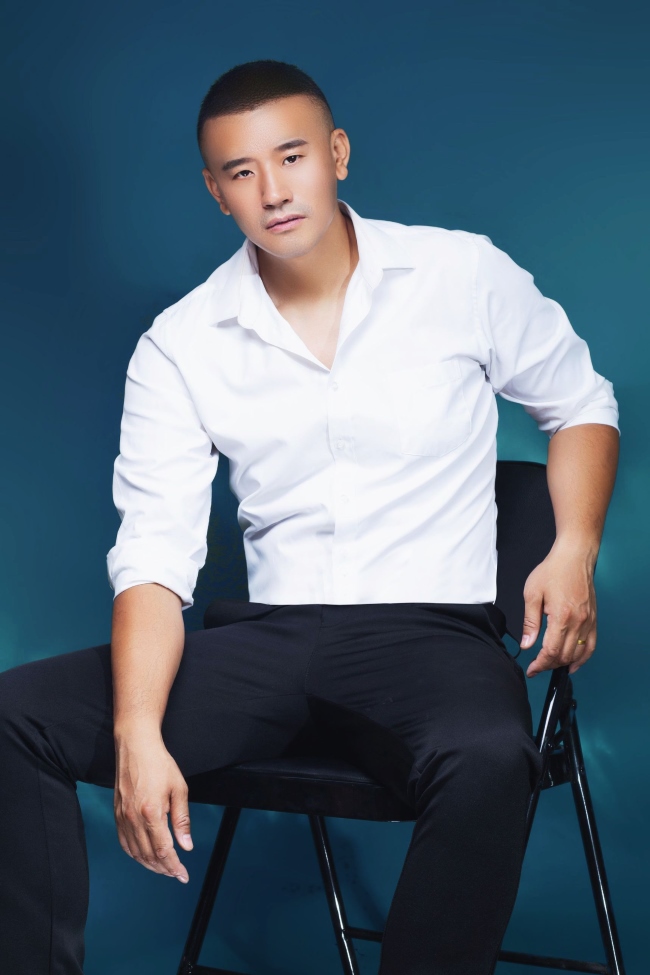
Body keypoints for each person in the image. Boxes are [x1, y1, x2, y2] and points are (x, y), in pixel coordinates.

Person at [0, 59, 620, 975]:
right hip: (268, 642)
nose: (273, 190)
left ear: (337, 154)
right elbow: (153, 559)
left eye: (291, 157)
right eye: (241, 171)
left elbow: (582, 406)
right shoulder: (180, 342)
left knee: (492, 757)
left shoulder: (460, 273)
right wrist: (137, 732)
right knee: (16, 714)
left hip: (430, 635)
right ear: (215, 192)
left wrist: (574, 547)